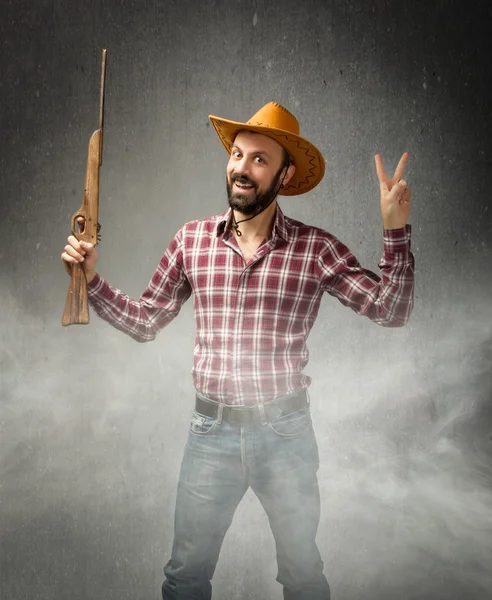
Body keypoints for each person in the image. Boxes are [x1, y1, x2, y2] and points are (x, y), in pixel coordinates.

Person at [61, 101, 414, 600]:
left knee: (303, 577)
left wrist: (395, 230)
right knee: (185, 579)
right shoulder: (192, 241)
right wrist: (92, 281)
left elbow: (390, 310)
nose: (242, 169)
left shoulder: (315, 249)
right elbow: (146, 322)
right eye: (237, 155)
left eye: (259, 160)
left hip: (285, 434)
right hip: (211, 433)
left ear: (285, 174)